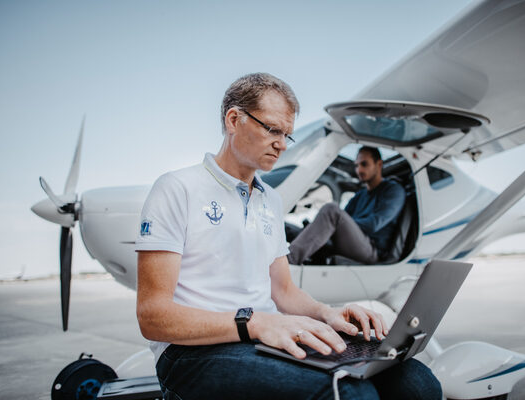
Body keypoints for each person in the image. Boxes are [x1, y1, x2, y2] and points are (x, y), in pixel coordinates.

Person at [135, 73, 441, 399]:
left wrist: (328, 313)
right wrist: (254, 323)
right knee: (351, 394)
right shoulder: (177, 188)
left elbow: (283, 291)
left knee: (416, 382)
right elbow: (153, 317)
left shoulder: (271, 200)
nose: (281, 144)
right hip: (190, 352)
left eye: (287, 135)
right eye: (272, 130)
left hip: (262, 334)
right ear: (234, 119)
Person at [287, 146, 406, 265]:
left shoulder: (393, 191)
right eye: (356, 165)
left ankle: (288, 262)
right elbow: (343, 220)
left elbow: (373, 225)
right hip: (349, 243)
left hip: (371, 250)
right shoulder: (360, 195)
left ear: (379, 164)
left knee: (331, 210)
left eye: (364, 164)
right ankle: (276, 257)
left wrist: (341, 225)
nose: (359, 170)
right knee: (288, 228)